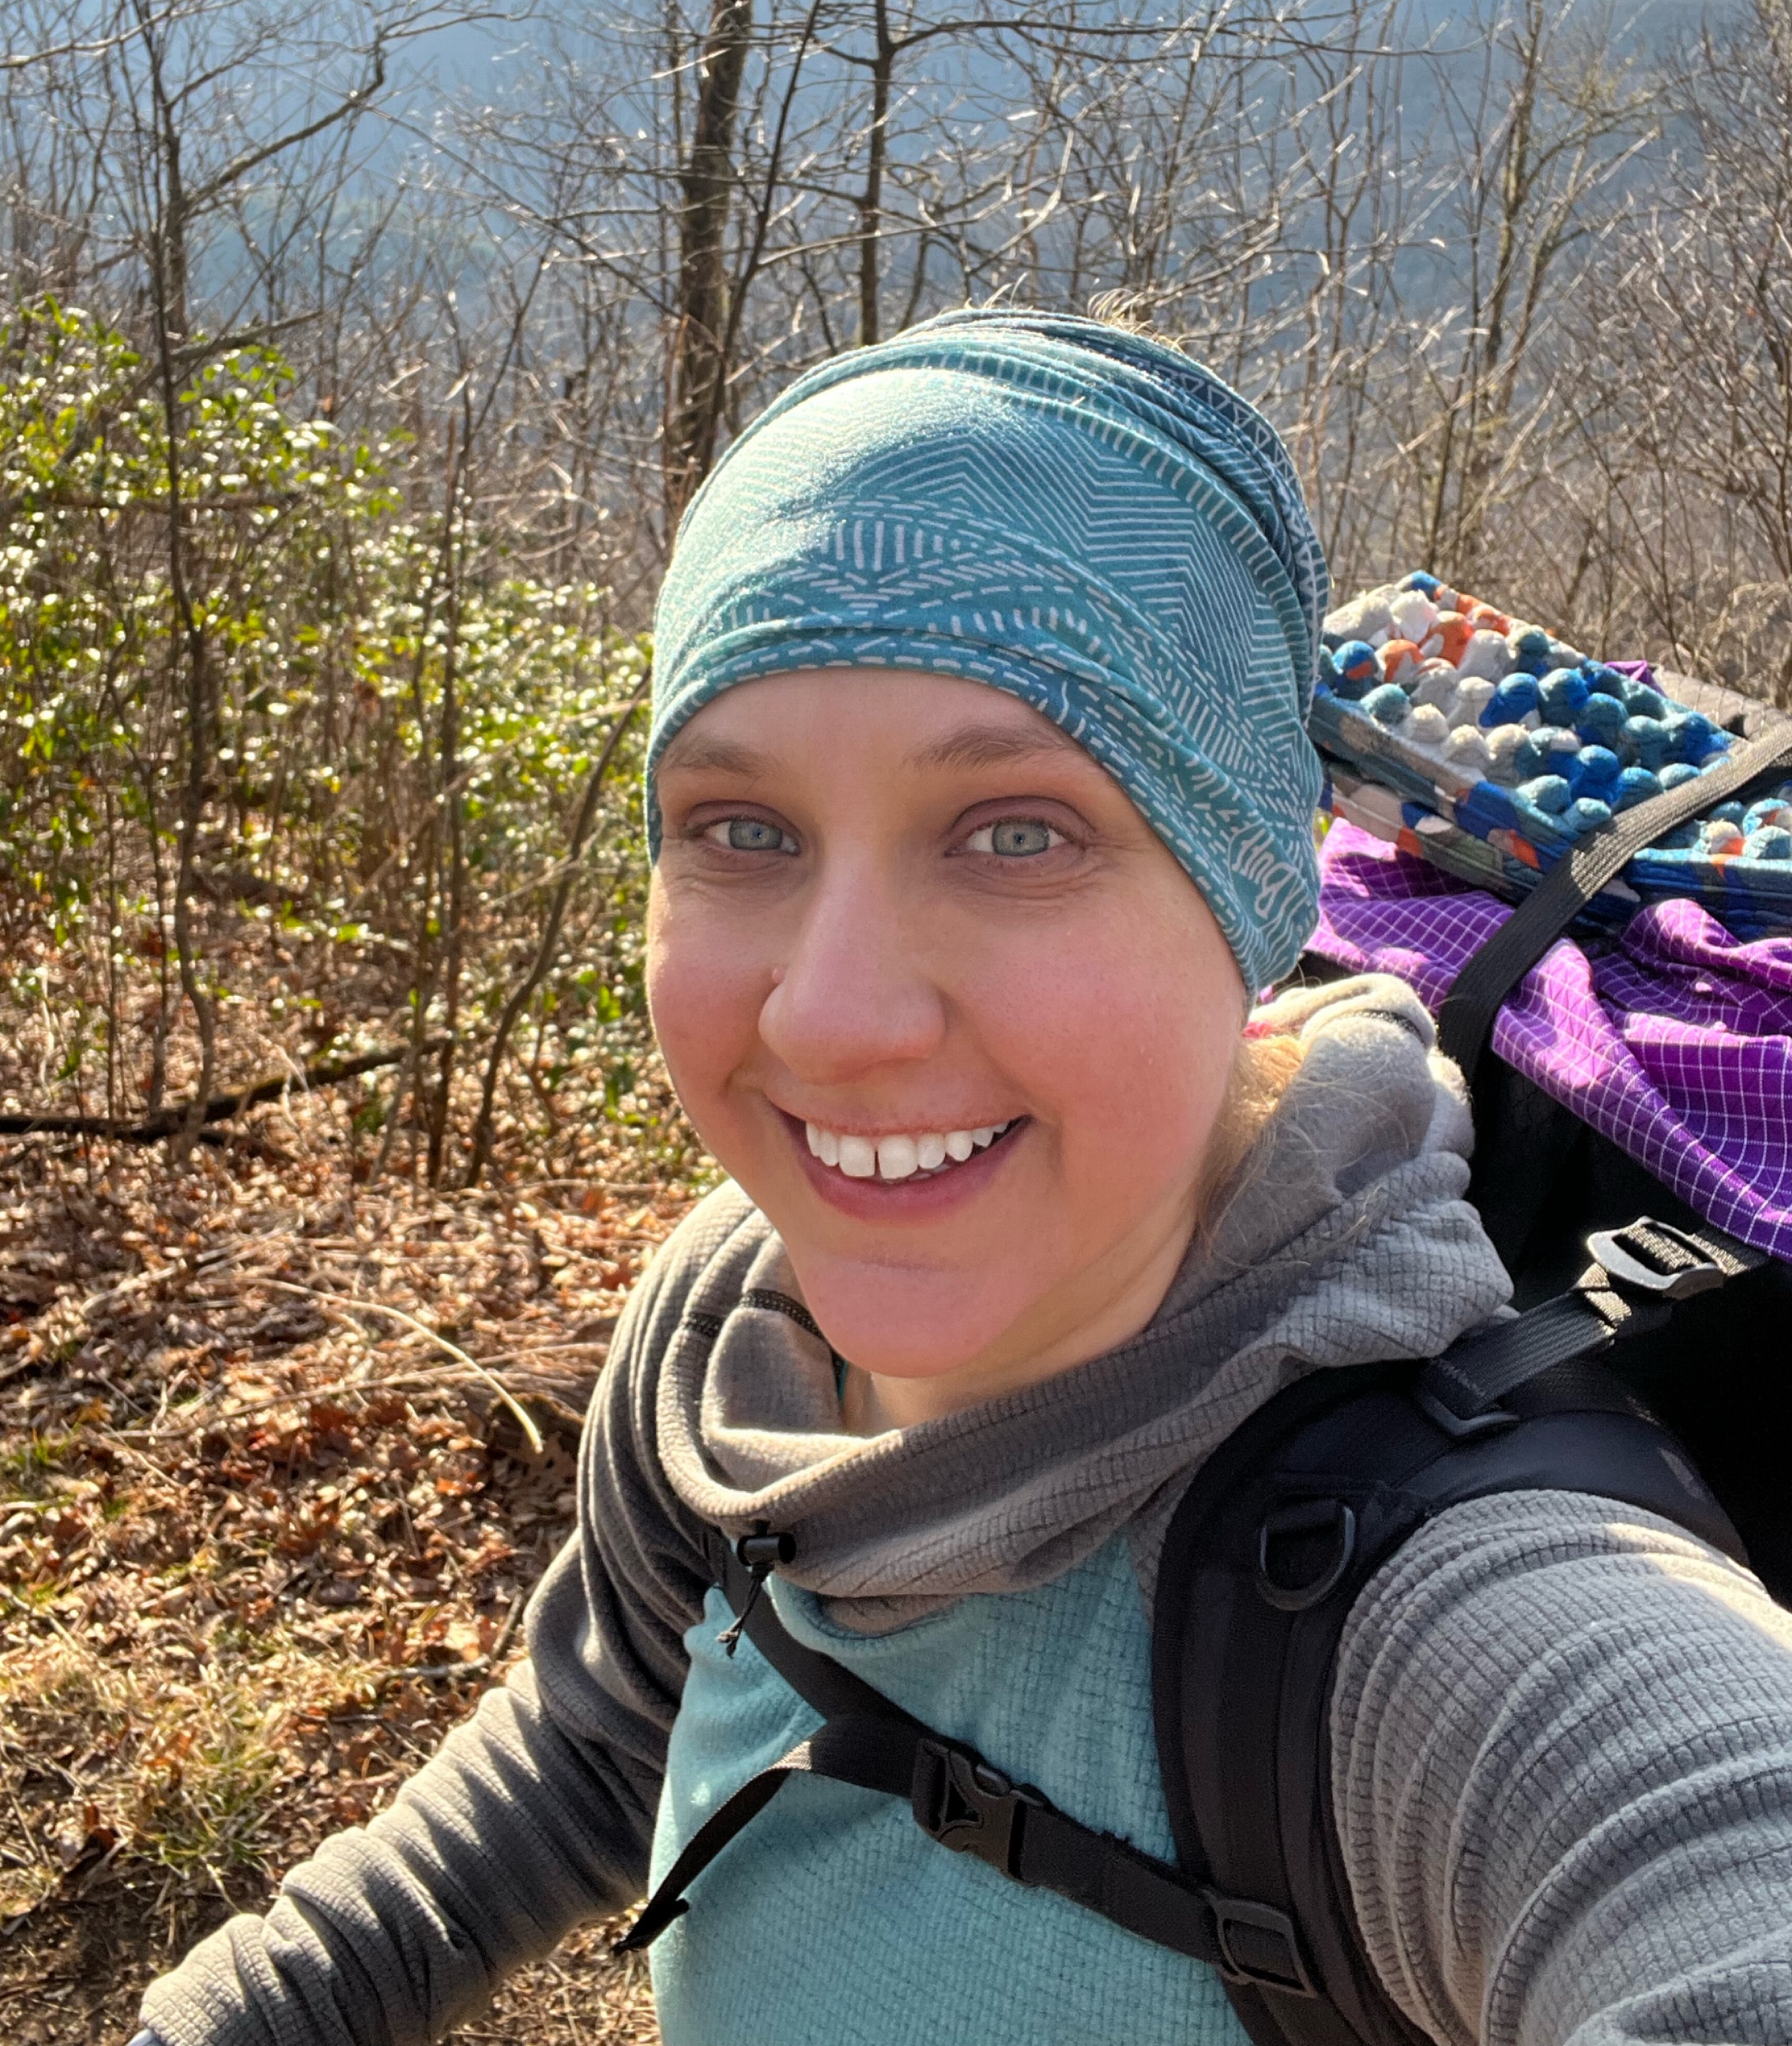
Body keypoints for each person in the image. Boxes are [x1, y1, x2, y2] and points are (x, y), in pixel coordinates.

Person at [134, 312, 1792, 2046]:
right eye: (743, 831)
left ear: (1246, 903)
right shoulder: (735, 1327)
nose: (832, 1017)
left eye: (1017, 834)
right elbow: (602, 1738)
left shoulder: (1439, 1631)